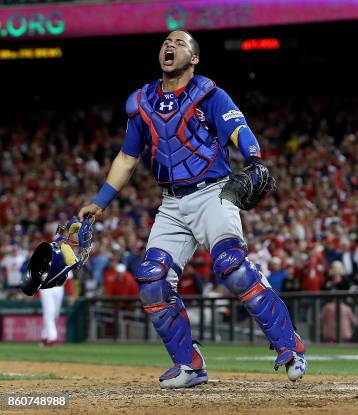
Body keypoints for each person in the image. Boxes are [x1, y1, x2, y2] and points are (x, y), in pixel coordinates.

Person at [78, 30, 306, 389]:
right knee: (152, 280)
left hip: (213, 192)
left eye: (179, 43)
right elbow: (127, 157)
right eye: (166, 42)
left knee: (232, 267)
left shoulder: (209, 95)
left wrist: (255, 159)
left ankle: (289, 345)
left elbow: (238, 129)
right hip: (170, 202)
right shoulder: (141, 102)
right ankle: (189, 365)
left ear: (194, 58)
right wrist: (100, 202)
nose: (170, 46)